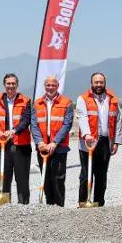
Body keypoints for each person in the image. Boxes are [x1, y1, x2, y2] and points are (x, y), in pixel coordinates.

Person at [75, 72, 122, 207]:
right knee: (86, 174)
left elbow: (118, 120)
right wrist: (86, 134)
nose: (98, 85)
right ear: (91, 83)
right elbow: (82, 117)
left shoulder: (112, 99)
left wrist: (116, 141)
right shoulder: (83, 98)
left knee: (102, 175)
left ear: (104, 83)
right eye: (96, 82)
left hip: (105, 142)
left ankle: (99, 203)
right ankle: (83, 202)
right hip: (88, 143)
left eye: (101, 82)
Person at [0, 73, 33, 204]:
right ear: (4, 85)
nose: (11, 86)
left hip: (21, 145)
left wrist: (14, 131)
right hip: (2, 146)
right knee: (4, 177)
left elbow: (26, 120)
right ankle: (4, 208)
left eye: (13, 83)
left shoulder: (26, 101)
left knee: (22, 179)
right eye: (8, 83)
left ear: (17, 85)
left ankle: (23, 206)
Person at [29, 75, 74, 206]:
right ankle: (49, 207)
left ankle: (59, 207)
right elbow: (34, 124)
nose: (50, 88)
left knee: (58, 179)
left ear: (57, 86)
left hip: (59, 147)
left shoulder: (66, 102)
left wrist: (55, 142)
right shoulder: (37, 103)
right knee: (46, 178)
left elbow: (67, 124)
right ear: (45, 86)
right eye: (48, 85)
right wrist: (40, 143)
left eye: (53, 85)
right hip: (42, 147)